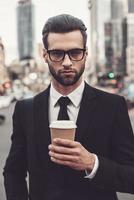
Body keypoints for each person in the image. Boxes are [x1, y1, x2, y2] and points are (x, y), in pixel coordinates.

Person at [3, 14, 134, 200]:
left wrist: (92, 163)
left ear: (85, 54)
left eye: (75, 52)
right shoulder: (25, 110)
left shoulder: (113, 106)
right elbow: (13, 172)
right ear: (45, 55)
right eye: (57, 53)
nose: (66, 62)